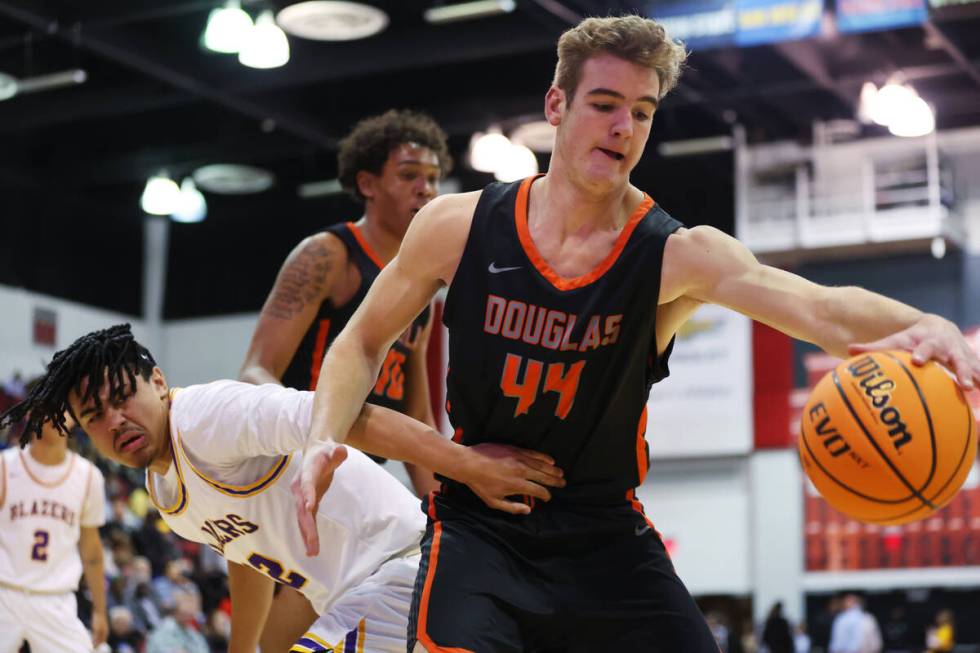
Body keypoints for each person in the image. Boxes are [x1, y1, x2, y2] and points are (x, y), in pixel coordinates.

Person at [299, 14, 980, 653]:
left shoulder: (675, 253)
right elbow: (358, 343)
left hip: (605, 537)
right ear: (557, 106)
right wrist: (323, 440)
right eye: (604, 103)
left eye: (643, 112)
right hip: (483, 530)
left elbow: (823, 310)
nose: (624, 125)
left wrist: (926, 321)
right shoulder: (458, 225)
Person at [0, 324, 563, 653]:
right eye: (94, 415)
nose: (115, 420)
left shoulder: (209, 416)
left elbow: (348, 416)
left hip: (405, 566)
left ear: (159, 382)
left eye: (123, 397)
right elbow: (243, 556)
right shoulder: (165, 492)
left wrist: (467, 466)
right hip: (363, 594)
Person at [239, 108, 452, 649]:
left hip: (362, 488)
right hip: (301, 470)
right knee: (265, 643)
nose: (424, 189)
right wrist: (314, 431)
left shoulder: (422, 291)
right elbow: (255, 368)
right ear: (367, 183)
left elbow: (420, 420)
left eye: (431, 178)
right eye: (409, 175)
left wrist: (448, 511)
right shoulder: (327, 256)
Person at [0, 394, 108, 652]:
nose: (54, 416)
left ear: (74, 419)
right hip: (4, 592)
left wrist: (100, 610)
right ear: (30, 414)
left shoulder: (89, 477)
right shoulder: (5, 466)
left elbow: (92, 553)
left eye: (62, 410)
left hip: (56, 600)